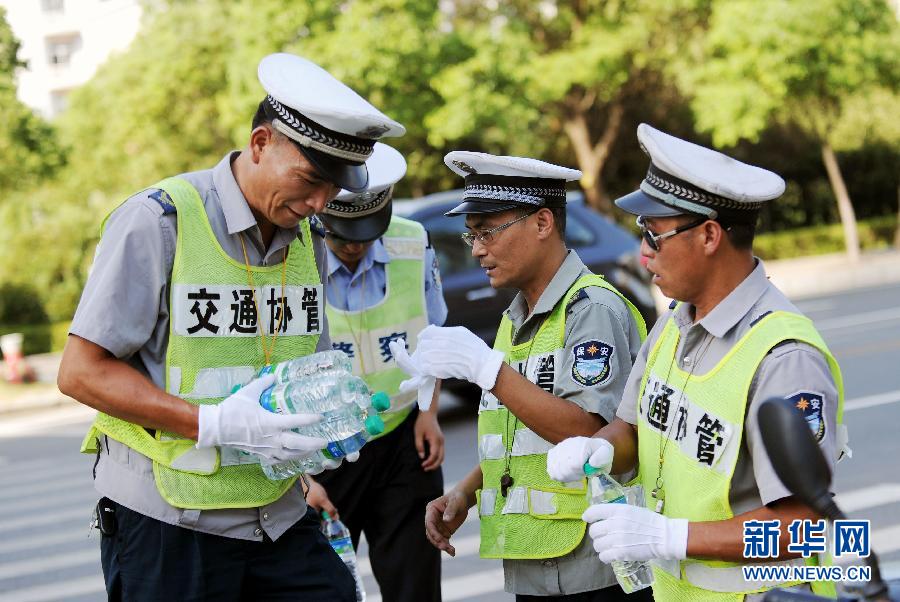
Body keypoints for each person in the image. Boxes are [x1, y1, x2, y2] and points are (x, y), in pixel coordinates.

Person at [57, 53, 405, 601]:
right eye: (311, 180)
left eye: (333, 189)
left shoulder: (308, 238)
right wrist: (214, 423)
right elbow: (81, 373)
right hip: (171, 521)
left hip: (279, 515)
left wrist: (319, 443)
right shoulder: (159, 221)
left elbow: (294, 372)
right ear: (261, 142)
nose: (319, 203)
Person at [546, 124, 849, 601]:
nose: (643, 252)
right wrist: (600, 449)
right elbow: (631, 429)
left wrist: (670, 537)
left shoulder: (784, 358)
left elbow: (801, 526)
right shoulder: (674, 322)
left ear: (709, 235)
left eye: (654, 234)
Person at [395, 152, 649, 601]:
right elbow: (519, 437)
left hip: (591, 568)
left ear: (543, 222)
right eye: (471, 235)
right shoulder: (516, 317)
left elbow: (594, 435)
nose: (476, 249)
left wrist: (489, 372)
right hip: (537, 563)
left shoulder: (590, 310)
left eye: (488, 231)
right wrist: (467, 492)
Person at [300, 141, 448, 602]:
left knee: (415, 584)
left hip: (405, 440)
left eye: (366, 233)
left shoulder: (411, 242)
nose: (354, 246)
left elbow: (433, 336)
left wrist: (429, 410)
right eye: (342, 235)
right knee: (322, 587)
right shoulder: (292, 252)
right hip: (322, 455)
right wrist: (302, 479)